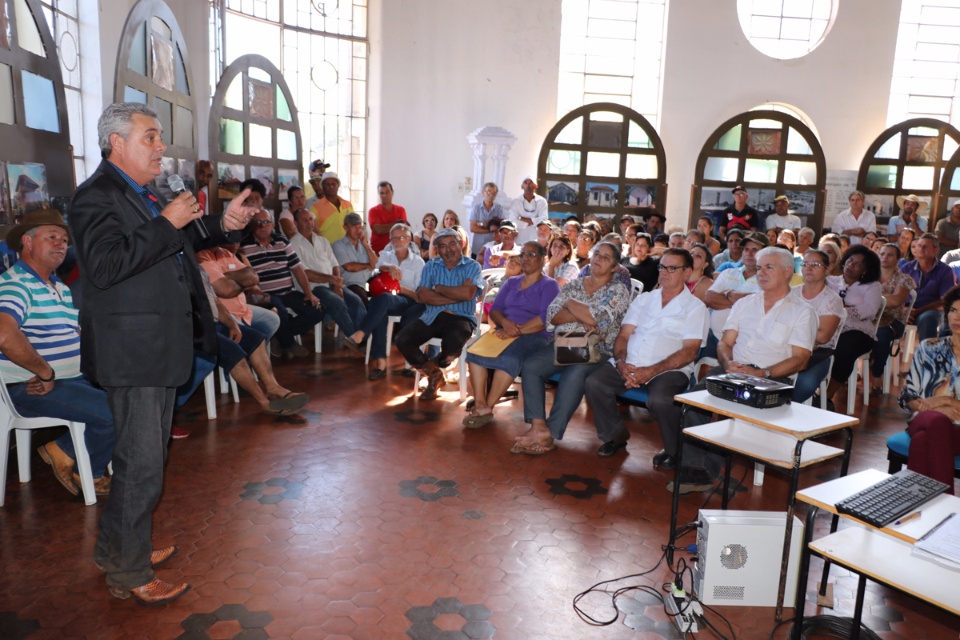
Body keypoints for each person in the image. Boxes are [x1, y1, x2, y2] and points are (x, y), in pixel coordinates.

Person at [69, 102, 256, 605]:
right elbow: (107, 266)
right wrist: (168, 222)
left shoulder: (138, 194)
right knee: (141, 462)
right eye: (150, 137)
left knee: (141, 459)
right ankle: (129, 574)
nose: (160, 147)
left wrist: (225, 223)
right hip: (134, 350)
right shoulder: (95, 198)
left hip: (153, 346)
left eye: (159, 137)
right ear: (118, 144)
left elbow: (184, 235)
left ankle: (120, 549)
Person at [673, 247, 817, 493]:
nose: (761, 273)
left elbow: (800, 360)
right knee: (692, 401)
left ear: (787, 272)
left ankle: (706, 470)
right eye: (759, 267)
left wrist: (763, 373)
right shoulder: (745, 304)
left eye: (768, 267)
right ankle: (695, 469)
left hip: (773, 377)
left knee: (734, 404)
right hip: (734, 369)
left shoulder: (802, 311)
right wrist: (728, 362)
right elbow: (725, 343)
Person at [0, 210, 115, 498]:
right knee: (118, 411)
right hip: (31, 388)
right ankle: (87, 467)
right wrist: (45, 372)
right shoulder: (15, 285)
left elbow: (72, 334)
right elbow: (4, 335)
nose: (61, 244)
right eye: (51, 236)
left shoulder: (58, 286)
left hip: (69, 380)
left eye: (64, 239)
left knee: (133, 397)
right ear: (27, 242)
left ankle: (64, 451)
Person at [584, 248, 708, 462]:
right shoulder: (644, 300)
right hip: (630, 364)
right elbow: (623, 335)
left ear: (687, 273)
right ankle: (616, 435)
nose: (664, 272)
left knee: (661, 400)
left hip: (668, 370)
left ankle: (674, 451)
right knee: (595, 382)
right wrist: (622, 363)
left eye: (672, 268)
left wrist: (650, 371)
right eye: (662, 267)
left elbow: (690, 351)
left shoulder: (695, 308)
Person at [512, 242, 632, 455]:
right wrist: (584, 314)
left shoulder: (618, 290)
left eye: (605, 257)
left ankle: (551, 433)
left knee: (574, 373)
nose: (597, 259)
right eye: (597, 254)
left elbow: (598, 318)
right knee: (531, 366)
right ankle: (538, 426)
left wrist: (570, 305)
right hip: (565, 343)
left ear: (614, 267)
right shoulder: (574, 285)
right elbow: (552, 315)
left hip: (598, 348)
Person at [463, 242, 559, 428]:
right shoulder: (512, 282)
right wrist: (506, 325)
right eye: (523, 254)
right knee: (474, 352)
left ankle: (487, 407)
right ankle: (481, 402)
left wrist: (516, 331)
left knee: (509, 358)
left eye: (532, 254)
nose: (526, 258)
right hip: (505, 331)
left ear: (542, 259)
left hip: (535, 335)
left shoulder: (549, 285)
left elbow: (544, 319)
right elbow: (496, 310)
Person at [394, 228, 483, 400]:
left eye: (452, 244)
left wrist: (439, 289)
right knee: (402, 339)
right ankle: (435, 375)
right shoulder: (431, 266)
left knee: (452, 348)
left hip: (461, 318)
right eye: (442, 246)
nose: (448, 249)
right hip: (432, 316)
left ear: (461, 244)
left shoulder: (472, 266)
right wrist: (457, 295)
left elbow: (468, 294)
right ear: (437, 249)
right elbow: (423, 296)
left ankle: (435, 367)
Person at [899, 285, 960, 493]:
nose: (957, 318)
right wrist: (936, 410)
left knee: (923, 440)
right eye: (953, 310)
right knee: (937, 422)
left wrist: (948, 402)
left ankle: (914, 507)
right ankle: (947, 504)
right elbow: (908, 396)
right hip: (925, 417)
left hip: (948, 428)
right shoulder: (929, 347)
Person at [240, 210, 325, 358]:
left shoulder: (282, 242)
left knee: (317, 310)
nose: (262, 226)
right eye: (257, 222)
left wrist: (308, 293)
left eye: (266, 222)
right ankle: (289, 344)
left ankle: (279, 335)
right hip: (265, 295)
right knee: (280, 312)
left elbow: (298, 269)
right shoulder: (244, 246)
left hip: (288, 292)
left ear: (273, 224)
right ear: (251, 225)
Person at [346, 223, 425, 379]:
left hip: (408, 301)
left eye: (401, 237)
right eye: (393, 238)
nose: (397, 241)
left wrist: (398, 288)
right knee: (380, 304)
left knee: (382, 300)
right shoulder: (386, 256)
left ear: (409, 239)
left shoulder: (418, 262)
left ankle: (361, 335)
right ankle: (380, 361)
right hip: (387, 299)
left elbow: (419, 294)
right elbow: (376, 270)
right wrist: (388, 267)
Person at [289, 208, 366, 338]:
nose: (309, 223)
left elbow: (335, 265)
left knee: (356, 300)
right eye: (304, 220)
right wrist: (332, 280)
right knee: (337, 302)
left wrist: (336, 284)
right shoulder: (293, 244)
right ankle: (354, 338)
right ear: (295, 223)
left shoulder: (322, 241)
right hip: (313, 288)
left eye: (311, 219)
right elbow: (304, 273)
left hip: (331, 283)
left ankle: (364, 337)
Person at [824, 245, 883, 405]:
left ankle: (828, 394)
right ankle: (813, 389)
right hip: (829, 326)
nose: (851, 265)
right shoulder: (830, 280)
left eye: (858, 264)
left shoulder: (872, 286)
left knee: (844, 348)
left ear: (865, 270)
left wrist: (840, 309)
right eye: (850, 260)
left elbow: (869, 310)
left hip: (858, 330)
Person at [791, 249, 846, 403]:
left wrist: (791, 330)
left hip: (818, 354)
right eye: (805, 264)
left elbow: (822, 337)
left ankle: (784, 413)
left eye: (815, 264)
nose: (808, 268)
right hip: (786, 347)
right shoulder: (791, 294)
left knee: (805, 383)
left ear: (827, 269)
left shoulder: (831, 299)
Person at [196, 243, 281, 342]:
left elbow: (253, 278)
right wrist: (243, 282)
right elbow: (226, 290)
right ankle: (253, 351)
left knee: (272, 319)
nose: (236, 243)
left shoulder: (226, 253)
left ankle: (254, 351)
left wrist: (223, 277)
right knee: (254, 337)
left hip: (243, 308)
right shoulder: (201, 256)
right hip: (225, 311)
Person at [701, 232, 767, 358]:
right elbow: (709, 298)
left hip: (746, 344)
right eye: (746, 249)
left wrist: (726, 294)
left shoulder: (768, 279)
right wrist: (742, 300)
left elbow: (759, 306)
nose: (749, 253)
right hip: (714, 336)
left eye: (755, 250)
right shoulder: (728, 273)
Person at [869, 243, 915, 391]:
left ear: (898, 258)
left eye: (890, 255)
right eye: (882, 254)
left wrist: (868, 298)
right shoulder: (869, 276)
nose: (885, 257)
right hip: (868, 318)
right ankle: (847, 372)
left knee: (880, 334)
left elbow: (896, 300)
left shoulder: (903, 278)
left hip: (893, 321)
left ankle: (877, 373)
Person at [901, 233, 957, 341]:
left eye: (925, 246)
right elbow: (897, 293)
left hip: (931, 311)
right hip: (907, 310)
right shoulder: (906, 268)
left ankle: (927, 355)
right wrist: (904, 310)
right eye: (919, 245)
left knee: (928, 318)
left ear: (936, 250)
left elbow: (944, 300)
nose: (920, 249)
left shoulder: (945, 270)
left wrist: (918, 311)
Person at [332, 212, 377, 305]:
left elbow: (376, 264)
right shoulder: (338, 245)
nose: (358, 230)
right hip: (350, 284)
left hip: (367, 283)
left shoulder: (363, 245)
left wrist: (366, 245)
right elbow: (349, 267)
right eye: (354, 227)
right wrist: (368, 266)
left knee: (383, 296)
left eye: (360, 227)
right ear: (345, 228)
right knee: (360, 297)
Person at [310, 171, 353, 244]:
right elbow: (314, 231)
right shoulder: (315, 208)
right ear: (322, 187)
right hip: (327, 249)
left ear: (338, 186)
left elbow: (353, 226)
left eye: (333, 184)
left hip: (347, 247)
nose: (331, 187)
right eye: (327, 184)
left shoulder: (348, 205)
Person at [367, 181, 408, 253]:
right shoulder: (373, 211)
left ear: (392, 192)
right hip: (378, 252)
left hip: (397, 251)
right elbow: (378, 230)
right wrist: (396, 223)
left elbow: (402, 230)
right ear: (379, 194)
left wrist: (385, 227)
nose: (384, 195)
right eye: (382, 193)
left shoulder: (401, 210)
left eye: (387, 192)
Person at [509, 176, 549, 244]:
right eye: (525, 183)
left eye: (530, 183)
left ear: (535, 186)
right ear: (522, 186)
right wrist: (533, 222)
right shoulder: (516, 201)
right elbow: (513, 220)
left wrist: (522, 219)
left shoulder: (542, 201)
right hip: (519, 239)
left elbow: (544, 219)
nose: (528, 185)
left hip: (536, 238)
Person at [469, 182, 504, 257]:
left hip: (493, 249)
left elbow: (501, 226)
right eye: (488, 191)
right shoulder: (476, 208)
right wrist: (490, 230)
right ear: (483, 192)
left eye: (494, 192)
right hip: (477, 247)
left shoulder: (499, 208)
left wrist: (480, 224)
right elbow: (472, 228)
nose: (491, 195)